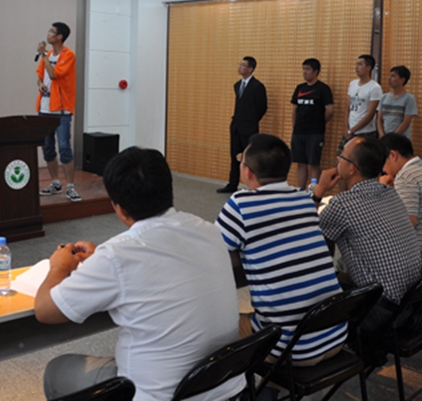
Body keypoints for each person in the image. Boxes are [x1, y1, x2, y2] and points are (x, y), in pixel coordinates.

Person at [35, 147, 244, 401]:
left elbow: (45, 310)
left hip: (160, 395)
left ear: (120, 209)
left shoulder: (117, 255)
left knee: (57, 371)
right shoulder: (209, 230)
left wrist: (59, 266)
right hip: (224, 385)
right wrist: (101, 259)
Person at [215, 134, 346, 366]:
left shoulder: (241, 204)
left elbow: (212, 251)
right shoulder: (304, 200)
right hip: (335, 336)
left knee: (216, 328)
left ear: (248, 172)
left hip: (289, 349)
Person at [313, 136, 422, 333]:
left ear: (352, 168)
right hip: (409, 302)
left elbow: (305, 230)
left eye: (342, 156)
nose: (337, 159)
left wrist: (319, 189)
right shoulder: (391, 193)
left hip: (377, 310)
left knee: (312, 289)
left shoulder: (343, 205)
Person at [379, 133, 422, 262]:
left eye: (382, 161)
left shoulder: (406, 176)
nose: (383, 169)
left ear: (393, 155)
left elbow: (407, 225)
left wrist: (382, 190)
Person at [36, 22, 81, 202]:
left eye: (51, 32)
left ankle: (70, 187)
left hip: (61, 111)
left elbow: (54, 74)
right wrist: (40, 84)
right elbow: (41, 76)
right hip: (44, 109)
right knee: (47, 148)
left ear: (59, 37)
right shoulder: (47, 55)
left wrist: (42, 55)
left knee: (64, 148)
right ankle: (55, 183)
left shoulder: (68, 55)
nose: (48, 34)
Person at [218, 56, 268, 193]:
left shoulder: (257, 86)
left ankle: (252, 185)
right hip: (236, 126)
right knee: (234, 157)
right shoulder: (237, 85)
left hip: (249, 128)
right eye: (239, 64)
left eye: (243, 65)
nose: (240, 67)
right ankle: (232, 184)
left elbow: (262, 107)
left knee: (250, 158)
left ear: (250, 69)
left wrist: (251, 120)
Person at [290, 58, 334, 189]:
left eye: (308, 69)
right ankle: (301, 189)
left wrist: (319, 122)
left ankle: (314, 191)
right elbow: (294, 109)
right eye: (303, 69)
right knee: (301, 163)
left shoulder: (323, 89)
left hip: (315, 132)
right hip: (299, 132)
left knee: (314, 163)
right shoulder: (300, 88)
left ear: (316, 72)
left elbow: (329, 111)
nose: (304, 72)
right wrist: (295, 127)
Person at [340, 55, 382, 152]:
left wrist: (352, 130)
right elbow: (347, 108)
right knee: (342, 156)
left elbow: (370, 114)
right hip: (350, 131)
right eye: (356, 64)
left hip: (366, 131)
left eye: (360, 64)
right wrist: (347, 128)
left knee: (362, 159)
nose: (356, 67)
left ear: (368, 68)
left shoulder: (375, 87)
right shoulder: (352, 84)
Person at [377, 66, 418, 139]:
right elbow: (379, 119)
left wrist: (391, 138)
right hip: (384, 138)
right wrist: (382, 135)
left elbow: (406, 122)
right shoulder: (384, 97)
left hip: (400, 139)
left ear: (402, 80)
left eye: (393, 76)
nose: (389, 78)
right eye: (389, 75)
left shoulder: (409, 98)